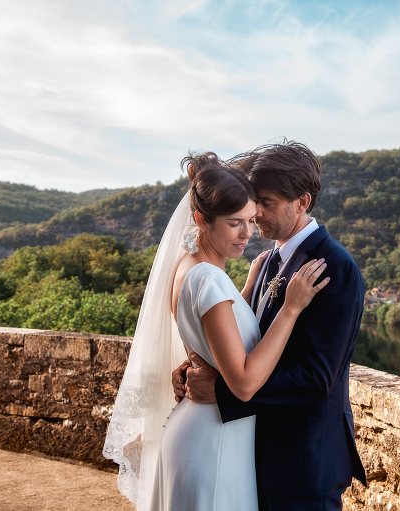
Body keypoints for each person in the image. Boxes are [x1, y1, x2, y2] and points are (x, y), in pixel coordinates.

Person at [103, 151, 329, 511]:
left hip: (198, 431)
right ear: (201, 220)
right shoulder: (210, 280)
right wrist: (291, 307)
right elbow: (242, 382)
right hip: (215, 440)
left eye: (251, 220)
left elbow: (215, 328)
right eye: (233, 223)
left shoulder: (189, 267)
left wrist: (245, 289)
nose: (247, 234)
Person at [173, 141, 367, 511]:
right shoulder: (267, 261)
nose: (255, 213)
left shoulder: (333, 267)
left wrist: (223, 392)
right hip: (252, 455)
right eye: (252, 201)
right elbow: (245, 341)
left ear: (302, 202)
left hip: (302, 464)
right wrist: (196, 368)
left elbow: (315, 378)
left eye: (267, 203)